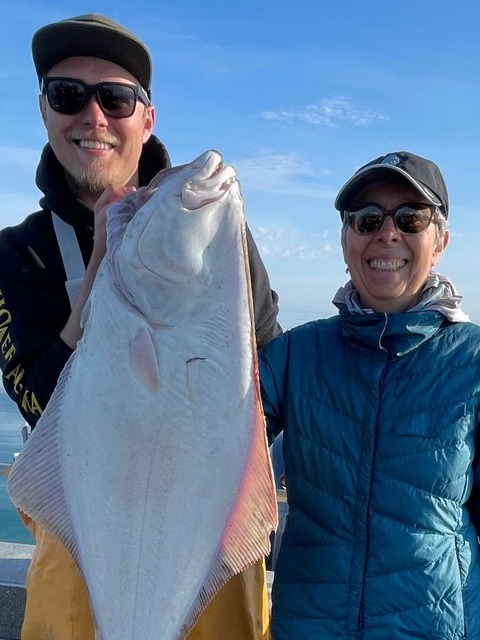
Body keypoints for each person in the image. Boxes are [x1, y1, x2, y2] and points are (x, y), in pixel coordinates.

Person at [0, 13, 281, 640]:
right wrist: (102, 273)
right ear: (44, 112)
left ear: (146, 118)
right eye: (69, 95)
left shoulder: (215, 232)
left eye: (116, 97)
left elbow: (265, 384)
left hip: (201, 534)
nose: (94, 116)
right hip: (86, 552)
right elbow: (37, 396)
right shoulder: (22, 253)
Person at [259, 151, 480, 639]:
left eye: (410, 217)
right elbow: (209, 429)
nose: (387, 233)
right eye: (366, 219)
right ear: (345, 240)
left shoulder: (474, 360)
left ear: (440, 241)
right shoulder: (296, 353)